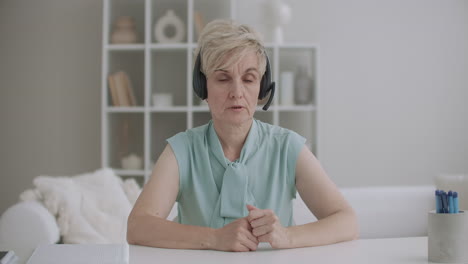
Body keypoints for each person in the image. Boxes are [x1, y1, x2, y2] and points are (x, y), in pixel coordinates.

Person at [127, 19, 358, 252]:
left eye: (248, 79)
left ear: (262, 86)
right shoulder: (181, 150)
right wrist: (214, 238)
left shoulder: (287, 147)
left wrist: (288, 236)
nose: (237, 92)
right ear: (203, 86)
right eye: (223, 78)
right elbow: (138, 226)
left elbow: (347, 221)